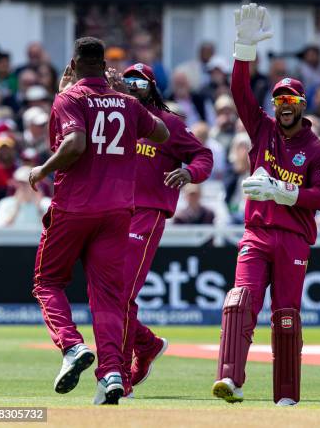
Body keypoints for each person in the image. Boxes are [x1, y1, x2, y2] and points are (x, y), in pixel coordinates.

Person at [29, 37, 169, 405]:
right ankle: (111, 374)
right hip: (119, 211)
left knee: (47, 282)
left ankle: (72, 346)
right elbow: (162, 132)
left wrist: (42, 168)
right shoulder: (126, 103)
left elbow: (74, 144)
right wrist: (123, 102)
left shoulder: (68, 99)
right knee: (108, 299)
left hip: (75, 207)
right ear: (103, 65)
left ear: (73, 66)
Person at [212, 3, 320, 406]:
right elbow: (239, 93)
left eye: (291, 99)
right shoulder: (262, 128)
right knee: (240, 301)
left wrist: (285, 192)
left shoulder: (317, 149)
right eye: (279, 98)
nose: (283, 104)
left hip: (295, 238)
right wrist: (243, 48)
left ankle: (286, 394)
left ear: (301, 104)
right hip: (257, 233)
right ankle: (231, 380)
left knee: (286, 315)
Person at [112, 62, 213, 397]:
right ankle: (148, 344)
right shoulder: (116, 119)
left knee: (121, 294)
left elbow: (202, 156)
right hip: (110, 213)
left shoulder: (168, 123)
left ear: (153, 86)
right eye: (127, 79)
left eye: (139, 80)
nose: (132, 84)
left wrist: (189, 174)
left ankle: (120, 374)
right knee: (110, 295)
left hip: (146, 213)